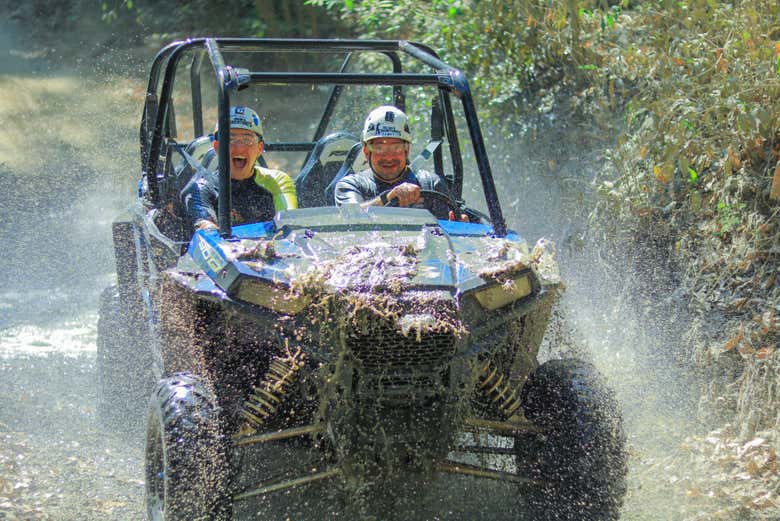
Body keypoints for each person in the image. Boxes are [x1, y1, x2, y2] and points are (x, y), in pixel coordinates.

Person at [181, 106, 297, 231]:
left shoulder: (278, 182)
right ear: (217, 147)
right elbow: (208, 233)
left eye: (247, 140)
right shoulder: (199, 189)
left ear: (259, 148)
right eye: (230, 140)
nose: (239, 148)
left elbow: (290, 229)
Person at [334, 105, 457, 220]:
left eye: (396, 148)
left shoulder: (430, 183)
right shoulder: (350, 185)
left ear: (406, 150)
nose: (388, 157)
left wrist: (459, 227)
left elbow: (447, 231)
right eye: (379, 148)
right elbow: (351, 216)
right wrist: (388, 197)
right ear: (366, 152)